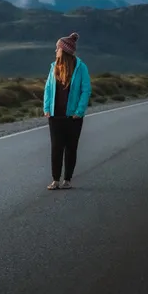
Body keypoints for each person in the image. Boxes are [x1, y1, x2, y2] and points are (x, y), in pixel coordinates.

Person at [43, 32, 92, 190]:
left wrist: (79, 110)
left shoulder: (81, 67)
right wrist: (46, 107)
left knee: (71, 148)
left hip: (73, 116)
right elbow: (48, 89)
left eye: (57, 48)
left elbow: (86, 90)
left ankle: (67, 180)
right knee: (56, 147)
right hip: (55, 115)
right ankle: (55, 180)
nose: (55, 50)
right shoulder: (53, 67)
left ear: (63, 50)